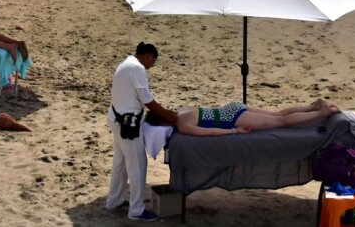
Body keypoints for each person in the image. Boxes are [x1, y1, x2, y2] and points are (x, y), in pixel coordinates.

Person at [106, 42, 178, 222]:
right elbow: (147, 100)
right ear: (147, 55)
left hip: (116, 118)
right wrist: (168, 115)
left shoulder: (125, 63)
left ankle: (114, 200)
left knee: (120, 162)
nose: (153, 64)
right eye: (154, 59)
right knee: (137, 165)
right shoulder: (137, 68)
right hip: (128, 123)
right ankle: (136, 209)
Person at [148, 97, 341, 136]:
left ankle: (321, 112)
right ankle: (314, 105)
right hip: (232, 108)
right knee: (278, 114)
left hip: (234, 119)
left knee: (281, 122)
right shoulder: (181, 110)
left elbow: (212, 132)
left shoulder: (183, 125)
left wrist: (234, 130)